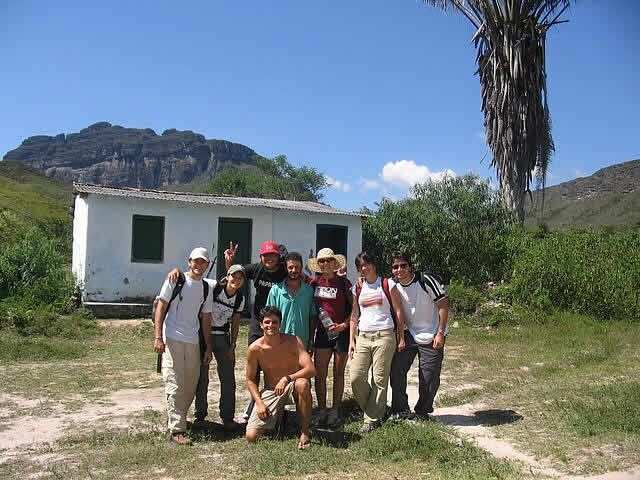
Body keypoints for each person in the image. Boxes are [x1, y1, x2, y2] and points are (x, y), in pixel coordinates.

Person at [154, 247, 213, 445]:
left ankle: (178, 417)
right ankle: (176, 429)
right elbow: (161, 306)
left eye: (203, 262)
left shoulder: (206, 287)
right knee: (175, 380)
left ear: (207, 264)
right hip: (172, 336)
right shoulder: (176, 279)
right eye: (196, 261)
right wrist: (158, 337)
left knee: (190, 383)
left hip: (193, 340)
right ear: (189, 261)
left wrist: (208, 347)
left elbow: (206, 318)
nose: (199, 265)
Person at [348, 251, 406, 433]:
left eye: (365, 264)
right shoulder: (357, 288)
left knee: (379, 379)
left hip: (384, 336)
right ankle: (376, 409)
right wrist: (352, 340)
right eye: (359, 266)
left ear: (373, 264)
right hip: (363, 337)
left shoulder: (388, 284)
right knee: (356, 377)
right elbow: (354, 315)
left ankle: (371, 419)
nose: (363, 268)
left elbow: (398, 312)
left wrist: (401, 336)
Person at [388, 252, 449, 420]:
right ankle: (400, 409)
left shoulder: (425, 280)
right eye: (395, 266)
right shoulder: (392, 284)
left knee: (429, 376)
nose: (399, 270)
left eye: (403, 265)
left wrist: (441, 333)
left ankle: (422, 411)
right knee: (396, 370)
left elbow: (443, 305)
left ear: (410, 266)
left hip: (432, 333)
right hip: (409, 333)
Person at [245, 306, 316, 450]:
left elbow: (310, 369)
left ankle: (304, 431)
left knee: (302, 384)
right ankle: (283, 418)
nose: (271, 326)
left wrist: (287, 378)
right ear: (261, 324)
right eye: (267, 322)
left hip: (292, 385)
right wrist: (259, 402)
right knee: (251, 436)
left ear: (280, 324)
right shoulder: (255, 349)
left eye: (274, 322)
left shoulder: (293, 341)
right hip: (272, 390)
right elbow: (250, 379)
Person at [194, 264, 246, 429]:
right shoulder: (214, 288)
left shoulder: (239, 299)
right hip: (204, 336)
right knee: (202, 377)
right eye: (233, 277)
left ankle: (227, 417)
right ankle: (200, 416)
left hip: (223, 337)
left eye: (240, 278)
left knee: (228, 378)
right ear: (227, 276)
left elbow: (236, 322)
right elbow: (197, 279)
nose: (236, 281)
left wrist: (233, 345)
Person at [307, 248, 352, 427]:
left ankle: (335, 410)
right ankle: (322, 409)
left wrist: (344, 326)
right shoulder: (313, 284)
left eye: (328, 261)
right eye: (322, 261)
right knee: (320, 373)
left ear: (335, 263)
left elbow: (355, 308)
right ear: (318, 265)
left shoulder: (344, 283)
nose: (325, 264)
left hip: (341, 333)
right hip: (323, 334)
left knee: (338, 373)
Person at [266, 252, 318, 349]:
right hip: (279, 342)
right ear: (286, 268)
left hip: (302, 342)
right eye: (290, 267)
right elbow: (268, 318)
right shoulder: (276, 290)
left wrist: (311, 340)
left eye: (297, 267)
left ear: (301, 267)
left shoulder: (309, 291)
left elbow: (312, 317)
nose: (294, 270)